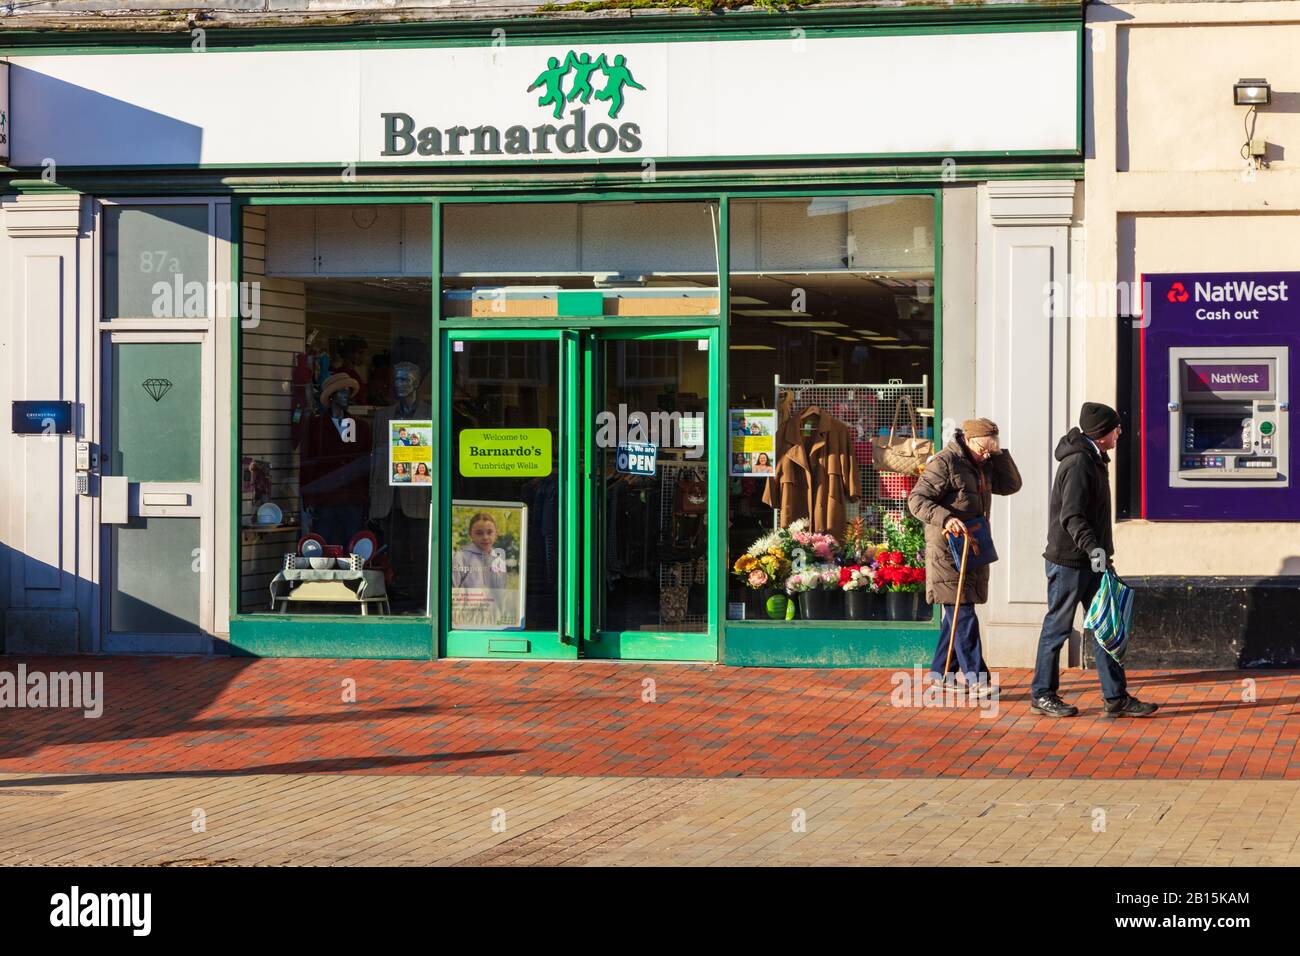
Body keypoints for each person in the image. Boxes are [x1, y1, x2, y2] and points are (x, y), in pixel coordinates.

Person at [1031, 403, 1158, 718]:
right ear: (1103, 433)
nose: (1120, 433)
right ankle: (1042, 694)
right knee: (1058, 628)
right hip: (1070, 562)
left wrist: (1103, 556)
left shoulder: (1094, 459)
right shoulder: (1078, 464)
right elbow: (1071, 515)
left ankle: (1116, 696)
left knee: (1107, 625)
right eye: (1116, 428)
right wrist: (1093, 549)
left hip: (1093, 560)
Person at [908, 418, 1022, 691]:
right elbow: (917, 500)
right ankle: (977, 678)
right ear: (968, 440)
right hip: (946, 549)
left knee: (956, 610)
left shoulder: (984, 463)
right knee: (962, 610)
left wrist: (998, 454)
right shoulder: (945, 462)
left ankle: (941, 675)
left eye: (990, 449)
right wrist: (946, 519)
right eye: (983, 448)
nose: (986, 453)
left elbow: (1011, 486)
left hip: (972, 545)